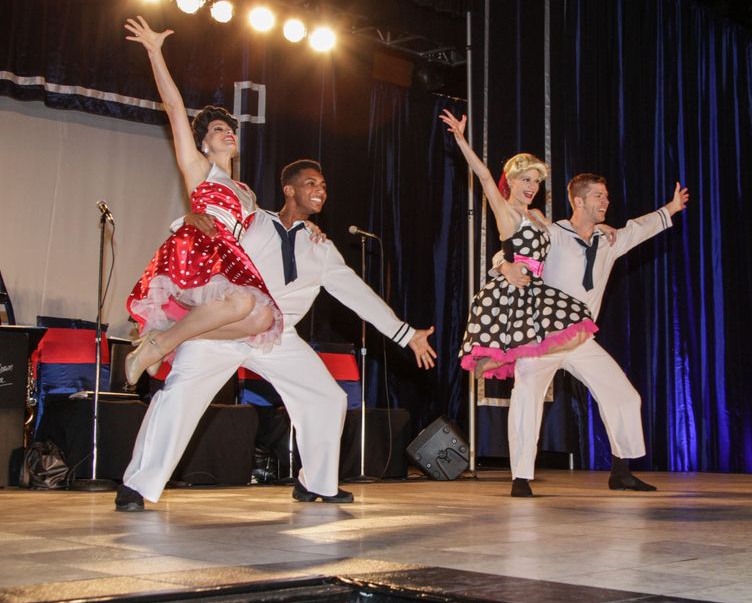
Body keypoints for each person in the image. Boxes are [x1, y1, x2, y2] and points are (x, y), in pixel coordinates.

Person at [115, 159, 437, 511]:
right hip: (224, 331)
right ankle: (137, 485)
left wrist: (406, 335)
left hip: (279, 338)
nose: (321, 191)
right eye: (312, 183)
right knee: (179, 396)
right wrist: (186, 220)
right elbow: (214, 226)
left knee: (327, 398)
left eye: (324, 186)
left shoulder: (322, 248)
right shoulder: (254, 222)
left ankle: (316, 483)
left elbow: (358, 295)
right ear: (289, 189)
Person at [497, 173, 689, 497]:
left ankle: (621, 471)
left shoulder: (607, 241)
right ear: (579, 200)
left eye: (606, 195)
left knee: (624, 395)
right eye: (599, 196)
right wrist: (505, 267)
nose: (606, 202)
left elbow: (637, 230)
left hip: (580, 339)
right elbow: (510, 252)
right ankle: (520, 479)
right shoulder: (553, 234)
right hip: (541, 338)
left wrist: (669, 208)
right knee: (527, 397)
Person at [122, 16, 284, 386]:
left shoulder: (247, 192)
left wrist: (311, 229)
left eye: (230, 129)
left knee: (261, 320)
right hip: (202, 249)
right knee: (243, 304)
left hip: (231, 255)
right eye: (217, 130)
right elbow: (175, 108)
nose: (227, 133)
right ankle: (155, 347)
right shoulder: (199, 168)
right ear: (204, 144)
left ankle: (162, 342)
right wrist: (154, 52)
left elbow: (271, 228)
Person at [440, 111, 597, 379]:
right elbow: (484, 176)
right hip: (513, 293)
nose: (533, 186)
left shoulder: (535, 215)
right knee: (557, 340)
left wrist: (596, 224)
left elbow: (564, 231)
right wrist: (461, 139)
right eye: (526, 179)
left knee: (581, 325)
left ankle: (506, 357)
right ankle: (498, 359)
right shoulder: (506, 213)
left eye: (536, 181)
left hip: (536, 289)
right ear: (511, 180)